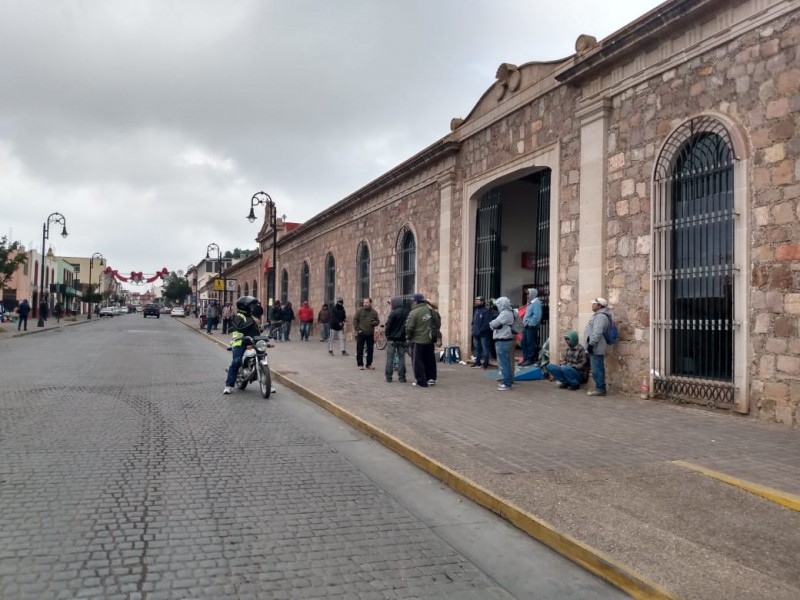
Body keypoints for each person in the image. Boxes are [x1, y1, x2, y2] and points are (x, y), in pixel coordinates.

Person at [223, 295, 263, 395]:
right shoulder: (238, 317)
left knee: (262, 358)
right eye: (251, 305)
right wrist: (253, 321)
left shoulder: (252, 317)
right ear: (244, 306)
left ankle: (268, 383)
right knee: (236, 362)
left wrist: (261, 327)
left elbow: (257, 330)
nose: (252, 307)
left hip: (253, 341)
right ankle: (228, 385)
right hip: (240, 342)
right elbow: (241, 328)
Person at [406, 293, 437, 387]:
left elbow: (409, 328)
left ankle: (421, 381)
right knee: (430, 360)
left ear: (415, 301)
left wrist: (409, 337)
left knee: (418, 362)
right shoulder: (431, 311)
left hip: (418, 341)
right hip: (430, 340)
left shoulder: (414, 312)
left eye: (413, 301)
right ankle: (431, 378)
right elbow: (437, 322)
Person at [584, 297, 613, 396]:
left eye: (594, 304)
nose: (592, 305)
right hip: (596, 346)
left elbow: (597, 332)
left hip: (597, 346)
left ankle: (600, 388)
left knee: (597, 368)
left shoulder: (600, 316)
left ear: (599, 306)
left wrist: (591, 344)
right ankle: (599, 387)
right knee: (596, 367)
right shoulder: (598, 315)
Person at [489, 296, 515, 391]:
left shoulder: (504, 313)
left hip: (503, 340)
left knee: (504, 363)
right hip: (506, 339)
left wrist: (492, 323)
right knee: (505, 362)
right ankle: (507, 380)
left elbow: (494, 324)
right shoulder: (509, 312)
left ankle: (507, 383)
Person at [384, 296, 409, 383]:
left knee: (390, 358)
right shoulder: (406, 312)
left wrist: (387, 335)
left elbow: (388, 325)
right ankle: (402, 377)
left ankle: (388, 377)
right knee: (402, 358)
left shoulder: (393, 313)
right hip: (402, 338)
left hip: (392, 339)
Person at [353, 297, 380, 370]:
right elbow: (355, 320)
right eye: (364, 302)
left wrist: (375, 323)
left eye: (366, 302)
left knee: (370, 350)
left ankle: (369, 364)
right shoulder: (360, 311)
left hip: (370, 333)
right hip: (361, 333)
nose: (365, 304)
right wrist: (357, 329)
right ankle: (360, 364)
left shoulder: (374, 312)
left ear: (370, 303)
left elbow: (378, 321)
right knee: (359, 349)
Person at [520, 288, 542, 366]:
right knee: (523, 342)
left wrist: (529, 323)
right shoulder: (530, 303)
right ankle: (525, 358)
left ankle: (530, 359)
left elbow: (537, 316)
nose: (527, 295)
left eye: (528, 294)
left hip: (531, 327)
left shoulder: (536, 303)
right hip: (526, 326)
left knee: (530, 343)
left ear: (532, 294)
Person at [470, 296, 492, 369]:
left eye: (478, 301)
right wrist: (473, 328)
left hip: (483, 334)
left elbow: (486, 323)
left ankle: (485, 364)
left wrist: (480, 330)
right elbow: (474, 321)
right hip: (476, 333)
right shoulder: (476, 310)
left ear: (482, 302)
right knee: (477, 349)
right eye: (476, 301)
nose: (476, 302)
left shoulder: (486, 310)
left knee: (485, 349)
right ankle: (477, 362)